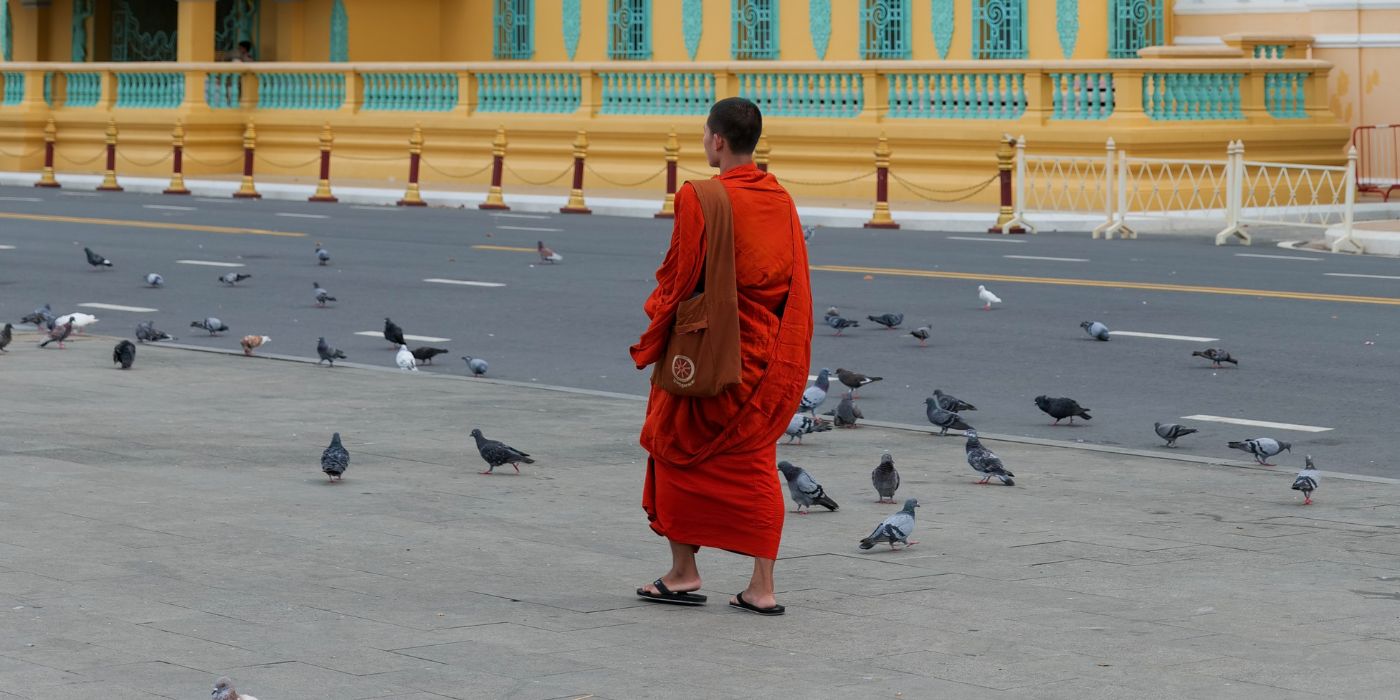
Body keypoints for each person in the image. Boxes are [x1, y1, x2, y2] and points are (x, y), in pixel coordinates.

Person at [630, 97, 813, 616]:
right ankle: (762, 588)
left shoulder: (700, 196)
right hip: (763, 355)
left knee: (669, 442)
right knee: (755, 462)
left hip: (712, 351)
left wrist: (656, 319)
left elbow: (680, 277)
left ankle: (683, 572)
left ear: (718, 140)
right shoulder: (781, 199)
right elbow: (791, 281)